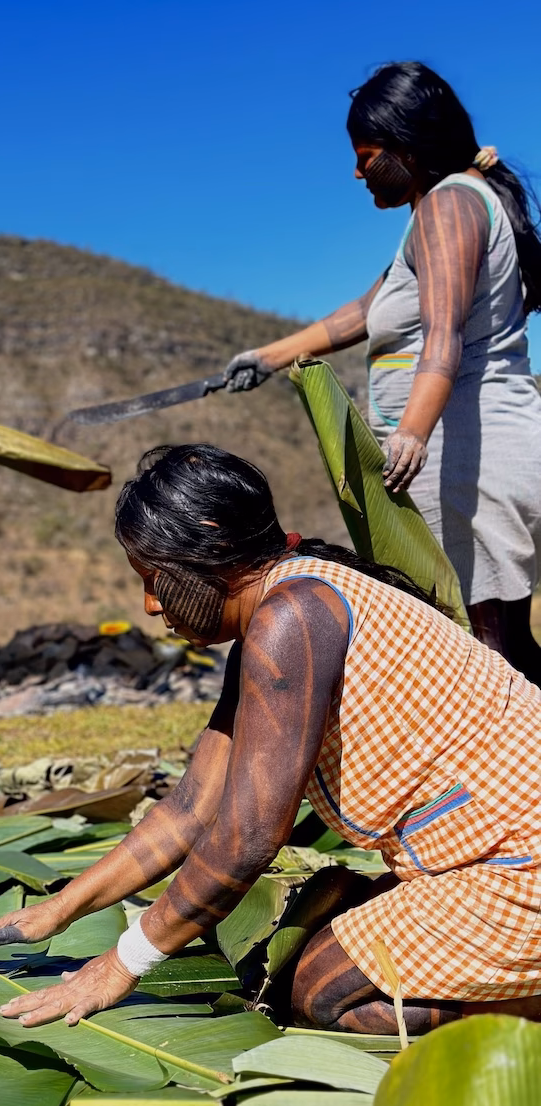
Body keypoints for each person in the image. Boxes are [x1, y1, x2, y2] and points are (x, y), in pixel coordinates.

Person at [0, 445, 541, 1036]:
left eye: (154, 580)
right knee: (316, 942)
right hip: (489, 852)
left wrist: (118, 966)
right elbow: (192, 807)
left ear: (212, 549)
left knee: (318, 993)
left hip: (519, 863)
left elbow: (248, 836)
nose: (149, 605)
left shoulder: (294, 619)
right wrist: (59, 909)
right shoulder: (283, 610)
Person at [222, 62, 541, 681]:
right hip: (465, 451)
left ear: (406, 148)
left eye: (366, 156)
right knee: (496, 643)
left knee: (490, 651)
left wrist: (411, 433)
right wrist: (267, 358)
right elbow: (364, 313)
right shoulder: (437, 214)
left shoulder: (449, 207)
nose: (357, 171)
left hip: (469, 455)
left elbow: (443, 339)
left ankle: (514, 773)